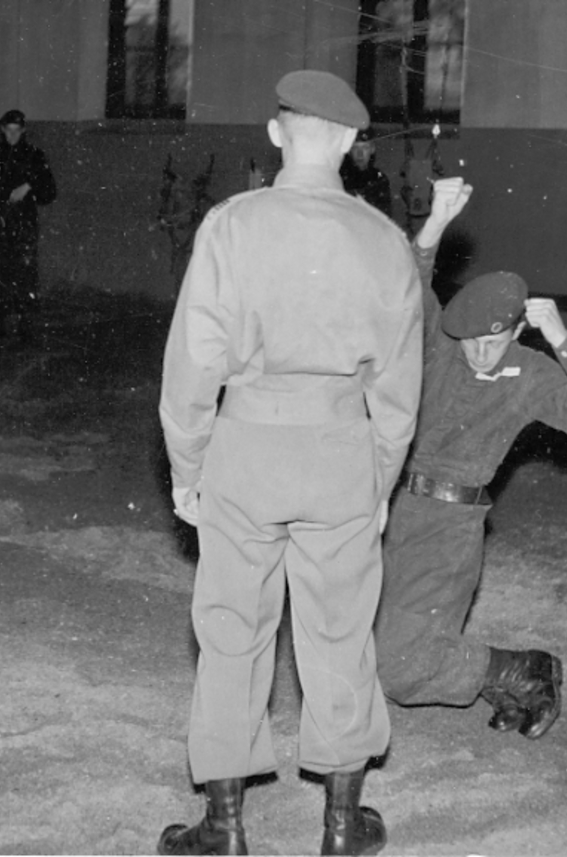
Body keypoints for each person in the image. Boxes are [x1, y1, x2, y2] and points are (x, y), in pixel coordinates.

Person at [158, 70, 425, 856]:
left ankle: (225, 826)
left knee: (232, 630)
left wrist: (186, 469)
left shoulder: (230, 226)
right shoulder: (383, 240)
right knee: (341, 634)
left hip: (245, 453)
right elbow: (399, 395)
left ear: (277, 134)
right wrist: (378, 482)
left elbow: (191, 369)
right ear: (349, 143)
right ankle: (341, 827)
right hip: (340, 454)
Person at [375, 177, 567, 741]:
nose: (481, 353)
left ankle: (524, 669)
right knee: (358, 643)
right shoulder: (440, 349)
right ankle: (498, 679)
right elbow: (408, 288)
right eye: (471, 341)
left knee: (400, 670)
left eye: (495, 340)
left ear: (517, 331)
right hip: (389, 509)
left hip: (448, 530)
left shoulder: (529, 374)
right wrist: (435, 223)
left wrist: (561, 338)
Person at [0, 109, 57, 338]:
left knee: (24, 274)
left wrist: (29, 186)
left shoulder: (34, 156)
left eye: (16, 131)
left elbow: (49, 191)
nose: (12, 135)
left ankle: (24, 325)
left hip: (24, 223)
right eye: (8, 130)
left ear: (23, 130)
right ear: (2, 129)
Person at [339, 127, 393, 219]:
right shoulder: (339, 179)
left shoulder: (379, 179)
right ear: (349, 150)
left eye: (365, 147)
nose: (360, 154)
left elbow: (384, 217)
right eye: (355, 148)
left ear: (372, 149)